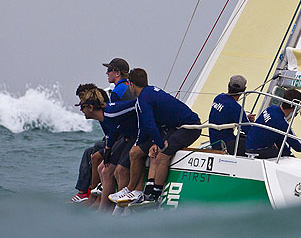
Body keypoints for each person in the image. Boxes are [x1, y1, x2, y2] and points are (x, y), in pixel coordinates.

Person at [108, 68, 202, 206]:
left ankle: (154, 195)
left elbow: (148, 125)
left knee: (162, 155)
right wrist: (152, 143)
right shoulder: (148, 92)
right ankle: (134, 190)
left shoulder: (143, 99)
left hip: (190, 127)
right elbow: (149, 125)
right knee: (142, 151)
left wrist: (160, 144)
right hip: (175, 127)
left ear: (132, 84)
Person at [69, 57, 134, 203]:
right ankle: (86, 192)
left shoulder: (119, 91)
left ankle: (92, 195)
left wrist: (109, 145)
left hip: (124, 135)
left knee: (96, 157)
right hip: (121, 134)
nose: (106, 73)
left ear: (117, 73)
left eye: (109, 70)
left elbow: (117, 119)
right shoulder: (123, 87)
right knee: (90, 152)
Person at [74, 83, 138, 211]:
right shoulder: (105, 117)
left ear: (91, 107)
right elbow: (112, 131)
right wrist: (108, 148)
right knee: (102, 167)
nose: (81, 110)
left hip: (137, 136)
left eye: (82, 106)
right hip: (127, 136)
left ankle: (109, 207)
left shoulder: (111, 113)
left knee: (113, 168)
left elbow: (139, 103)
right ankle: (100, 204)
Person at [245, 88, 301, 159]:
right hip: (258, 151)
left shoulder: (271, 108)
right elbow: (298, 147)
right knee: (287, 157)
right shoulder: (282, 123)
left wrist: (287, 151)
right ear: (296, 106)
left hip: (249, 145)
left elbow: (280, 137)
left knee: (284, 150)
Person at [208, 75, 255, 155]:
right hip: (226, 145)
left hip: (214, 142)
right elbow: (248, 131)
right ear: (244, 90)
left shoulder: (218, 98)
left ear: (228, 85)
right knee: (253, 143)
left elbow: (223, 116)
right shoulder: (236, 108)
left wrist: (244, 118)